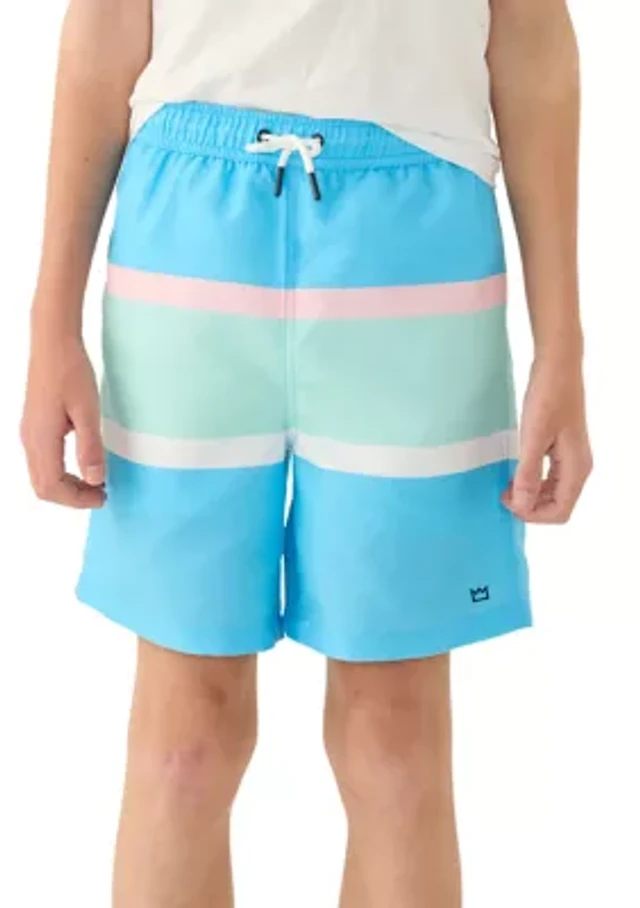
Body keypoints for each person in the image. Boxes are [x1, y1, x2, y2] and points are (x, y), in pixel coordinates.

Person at [21, 1, 592, 905]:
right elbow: (105, 25)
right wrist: (49, 323)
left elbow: (531, 38)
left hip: (417, 246)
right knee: (183, 746)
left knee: (395, 743)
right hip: (188, 240)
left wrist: (563, 341)